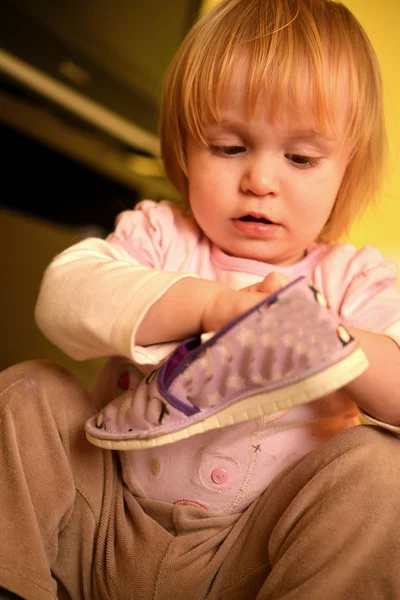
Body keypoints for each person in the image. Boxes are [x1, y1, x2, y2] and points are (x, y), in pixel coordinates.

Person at [1, 0, 400, 598]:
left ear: (347, 169)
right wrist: (209, 307)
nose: (261, 180)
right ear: (185, 148)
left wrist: (329, 338)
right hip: (100, 519)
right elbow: (64, 297)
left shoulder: (353, 280)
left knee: (381, 469)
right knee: (30, 390)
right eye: (229, 147)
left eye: (300, 158)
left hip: (250, 558)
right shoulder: (161, 235)